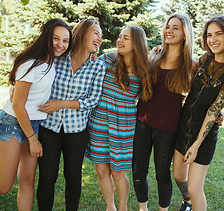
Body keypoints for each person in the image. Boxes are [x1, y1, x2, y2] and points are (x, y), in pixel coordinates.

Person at [0, 19, 72, 210]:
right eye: (56, 39)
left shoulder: (51, 62)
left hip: (32, 124)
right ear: (46, 38)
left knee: (27, 180)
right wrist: (33, 139)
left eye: (65, 41)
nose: (61, 44)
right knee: (2, 185)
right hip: (12, 123)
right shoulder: (31, 64)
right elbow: (18, 105)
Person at [173, 15, 224, 211]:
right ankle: (186, 202)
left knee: (196, 189)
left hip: (204, 136)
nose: (213, 39)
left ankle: (191, 201)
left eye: (218, 34)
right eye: (209, 34)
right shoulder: (205, 59)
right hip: (183, 126)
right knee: (179, 176)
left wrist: (196, 144)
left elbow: (214, 111)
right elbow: (186, 71)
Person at [36, 19, 106, 211]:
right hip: (48, 127)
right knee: (47, 177)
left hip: (77, 130)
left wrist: (61, 104)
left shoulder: (97, 66)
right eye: (96, 33)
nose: (100, 38)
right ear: (82, 34)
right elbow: (36, 77)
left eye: (100, 35)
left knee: (73, 177)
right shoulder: (57, 57)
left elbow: (92, 101)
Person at [132, 14, 198, 211]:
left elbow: (200, 98)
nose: (169, 30)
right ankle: (142, 209)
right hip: (142, 122)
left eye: (176, 27)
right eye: (168, 26)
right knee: (138, 172)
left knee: (162, 173)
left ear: (185, 33)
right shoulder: (155, 55)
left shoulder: (191, 65)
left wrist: (218, 115)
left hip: (168, 127)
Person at [85, 25, 152, 211]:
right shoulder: (107, 59)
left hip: (123, 125)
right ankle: (110, 207)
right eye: (120, 36)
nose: (119, 40)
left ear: (137, 43)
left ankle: (123, 208)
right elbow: (84, 72)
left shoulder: (145, 69)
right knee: (101, 170)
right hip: (99, 121)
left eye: (126, 38)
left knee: (118, 171)